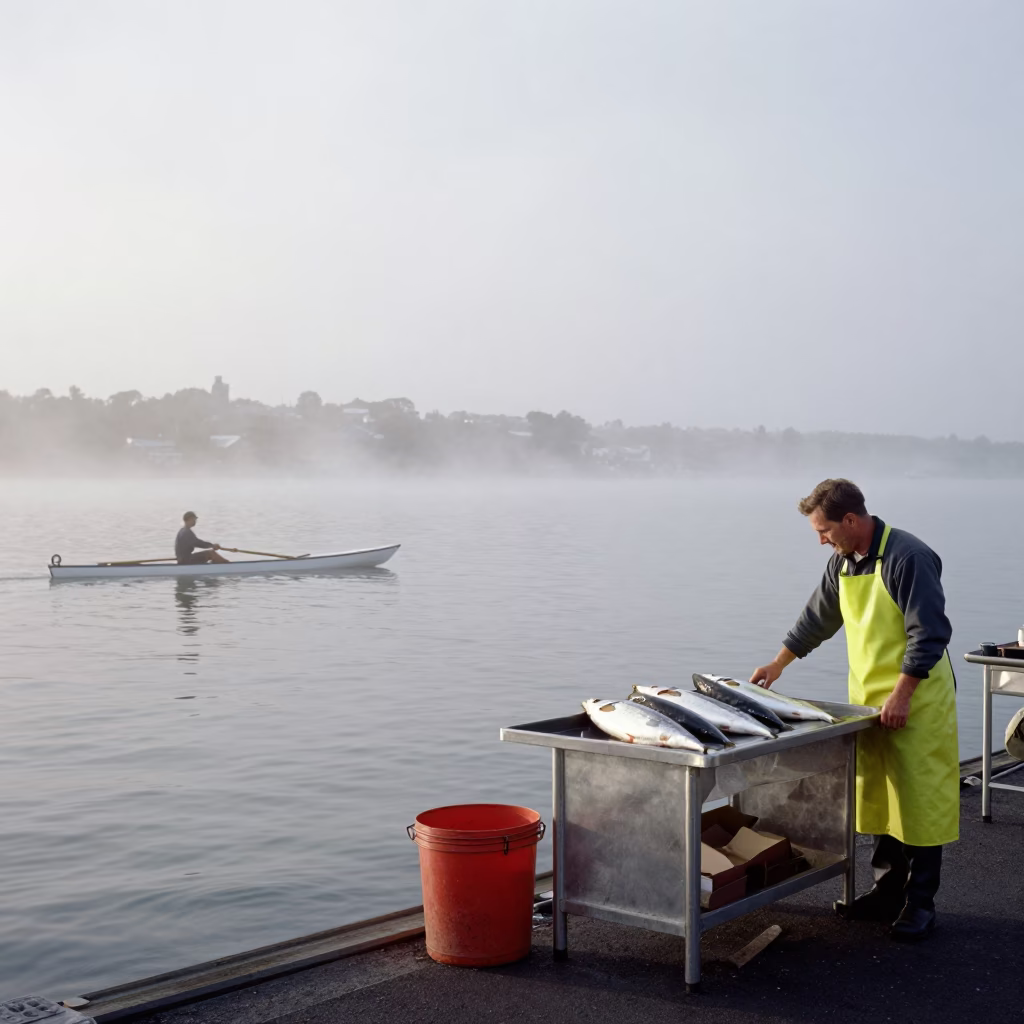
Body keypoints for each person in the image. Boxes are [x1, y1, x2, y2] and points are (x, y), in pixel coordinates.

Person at [749, 479, 958, 942]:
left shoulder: (908, 557)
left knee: (921, 801)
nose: (822, 540)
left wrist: (902, 695)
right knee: (880, 796)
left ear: (851, 520)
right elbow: (817, 619)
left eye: (824, 530)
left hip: (918, 696)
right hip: (868, 700)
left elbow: (930, 633)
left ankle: (921, 903)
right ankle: (886, 893)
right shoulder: (841, 564)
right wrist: (778, 664)